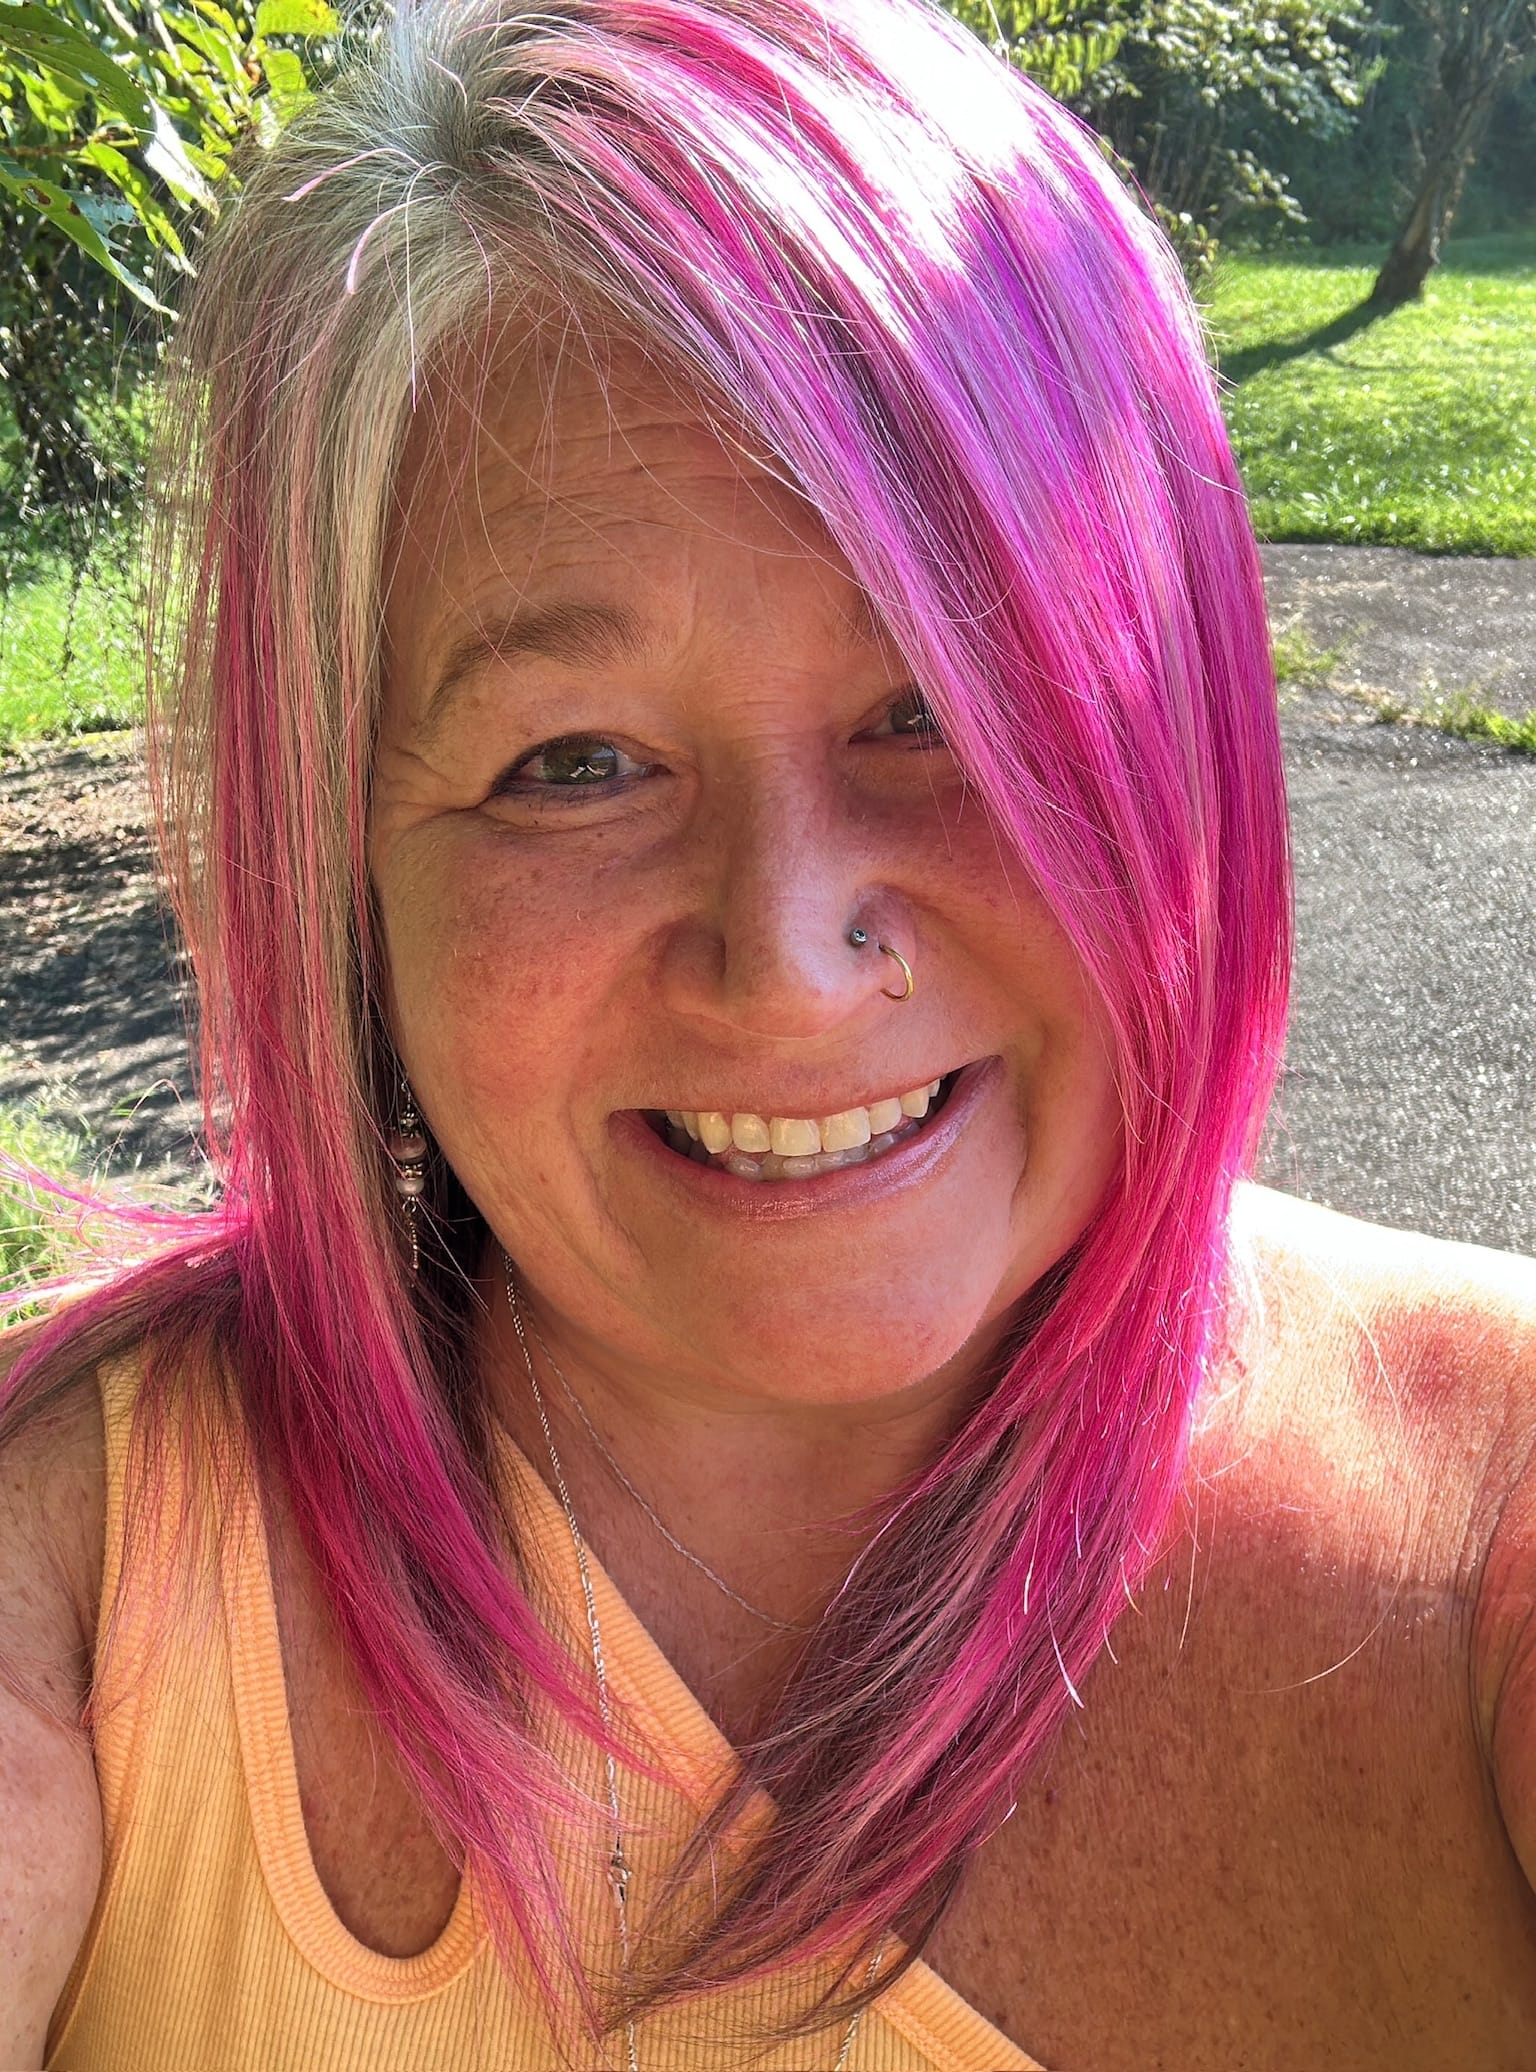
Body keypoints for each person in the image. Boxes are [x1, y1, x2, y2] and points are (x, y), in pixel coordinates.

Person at [3, 0, 1534, 2065]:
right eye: (573, 762)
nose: (791, 963)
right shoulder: (73, 1577)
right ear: (344, 874)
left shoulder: (1492, 1532)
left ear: (1175, 729)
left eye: (943, 705)